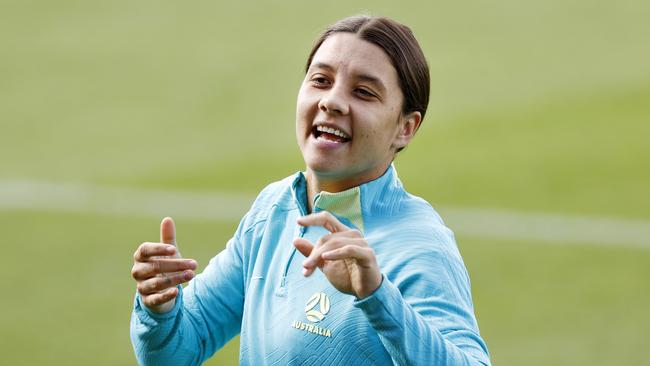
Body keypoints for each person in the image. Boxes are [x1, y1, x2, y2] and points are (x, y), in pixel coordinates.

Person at [130, 15, 490, 366]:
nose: (332, 101)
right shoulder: (275, 209)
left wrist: (377, 295)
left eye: (363, 92)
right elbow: (175, 352)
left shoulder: (419, 245)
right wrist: (159, 309)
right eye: (320, 80)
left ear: (406, 128)